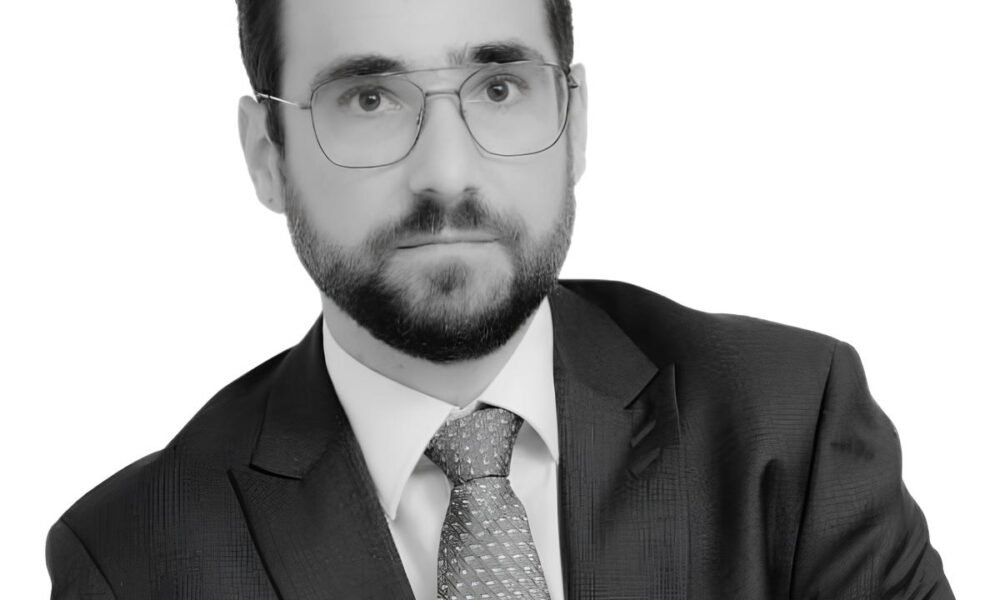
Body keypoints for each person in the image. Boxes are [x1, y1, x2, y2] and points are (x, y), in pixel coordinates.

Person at [45, 0, 954, 598]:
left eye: (499, 87)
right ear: (265, 156)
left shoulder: (790, 431)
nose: (447, 173)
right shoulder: (135, 561)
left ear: (574, 122)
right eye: (369, 99)